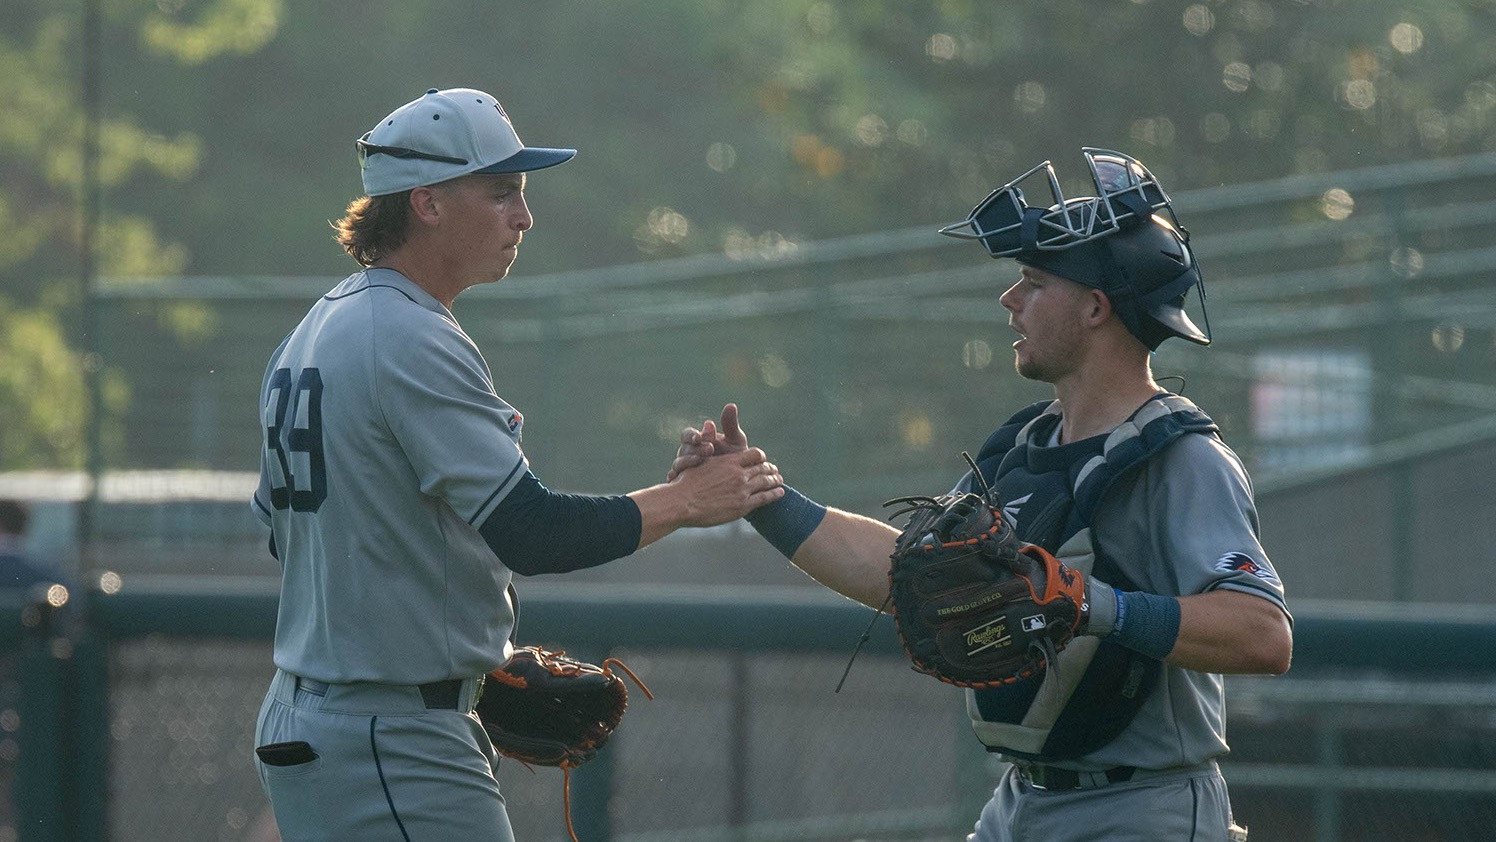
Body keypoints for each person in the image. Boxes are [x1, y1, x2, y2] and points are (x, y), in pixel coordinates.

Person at [670, 149, 1292, 841]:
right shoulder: (1020, 448)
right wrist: (761, 496)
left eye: (1032, 281)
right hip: (1020, 805)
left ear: (1094, 307)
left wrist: (1092, 603)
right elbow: (907, 571)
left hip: (1142, 809)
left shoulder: (1182, 458)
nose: (1010, 299)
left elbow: (1262, 635)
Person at [250, 87, 784, 841]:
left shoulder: (319, 326)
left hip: (324, 716)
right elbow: (533, 532)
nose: (523, 216)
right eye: (501, 193)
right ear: (428, 203)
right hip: (391, 735)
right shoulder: (410, 336)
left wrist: (457, 637)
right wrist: (691, 500)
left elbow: (295, 532)